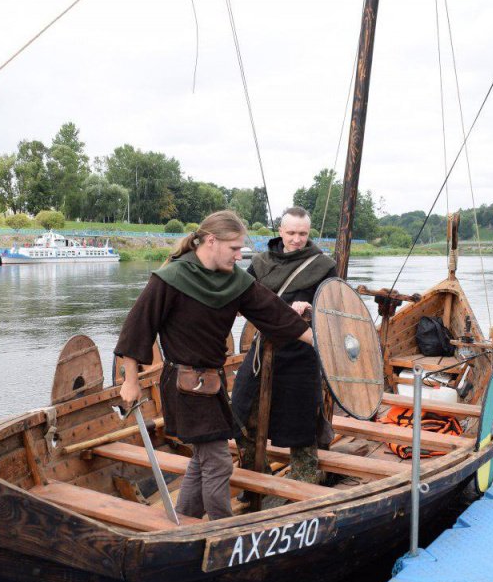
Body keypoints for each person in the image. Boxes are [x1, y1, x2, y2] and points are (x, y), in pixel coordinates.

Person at [115, 210, 313, 520]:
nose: (240, 255)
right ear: (211, 241)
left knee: (203, 458)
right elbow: (137, 328)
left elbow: (274, 313)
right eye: (234, 248)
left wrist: (319, 341)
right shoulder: (171, 279)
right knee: (218, 461)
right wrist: (130, 381)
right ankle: (223, 529)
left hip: (212, 384)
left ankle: (186, 519)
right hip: (183, 385)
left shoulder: (235, 281)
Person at [231, 206, 336, 485]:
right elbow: (242, 298)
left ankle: (304, 484)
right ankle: (258, 478)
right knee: (239, 411)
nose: (297, 239)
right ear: (280, 231)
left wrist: (311, 308)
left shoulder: (323, 265)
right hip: (262, 349)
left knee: (301, 422)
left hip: (302, 354)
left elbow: (335, 307)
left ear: (309, 233)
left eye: (302, 233)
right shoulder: (262, 262)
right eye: (291, 233)